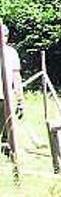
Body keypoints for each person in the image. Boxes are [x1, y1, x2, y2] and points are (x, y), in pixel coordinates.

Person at [1, 23, 23, 157]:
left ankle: (8, 159)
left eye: (4, 35)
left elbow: (16, 77)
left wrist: (20, 100)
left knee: (7, 132)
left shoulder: (11, 53)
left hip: (6, 97)